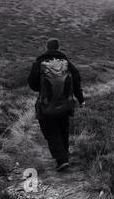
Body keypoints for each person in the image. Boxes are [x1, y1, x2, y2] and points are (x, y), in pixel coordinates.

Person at [28, 38, 85, 171]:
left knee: (51, 131)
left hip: (47, 105)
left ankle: (61, 160)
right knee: (63, 129)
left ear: (46, 47)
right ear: (59, 48)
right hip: (65, 104)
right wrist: (81, 99)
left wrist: (44, 89)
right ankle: (64, 155)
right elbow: (76, 80)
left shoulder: (39, 63)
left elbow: (32, 83)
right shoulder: (67, 63)